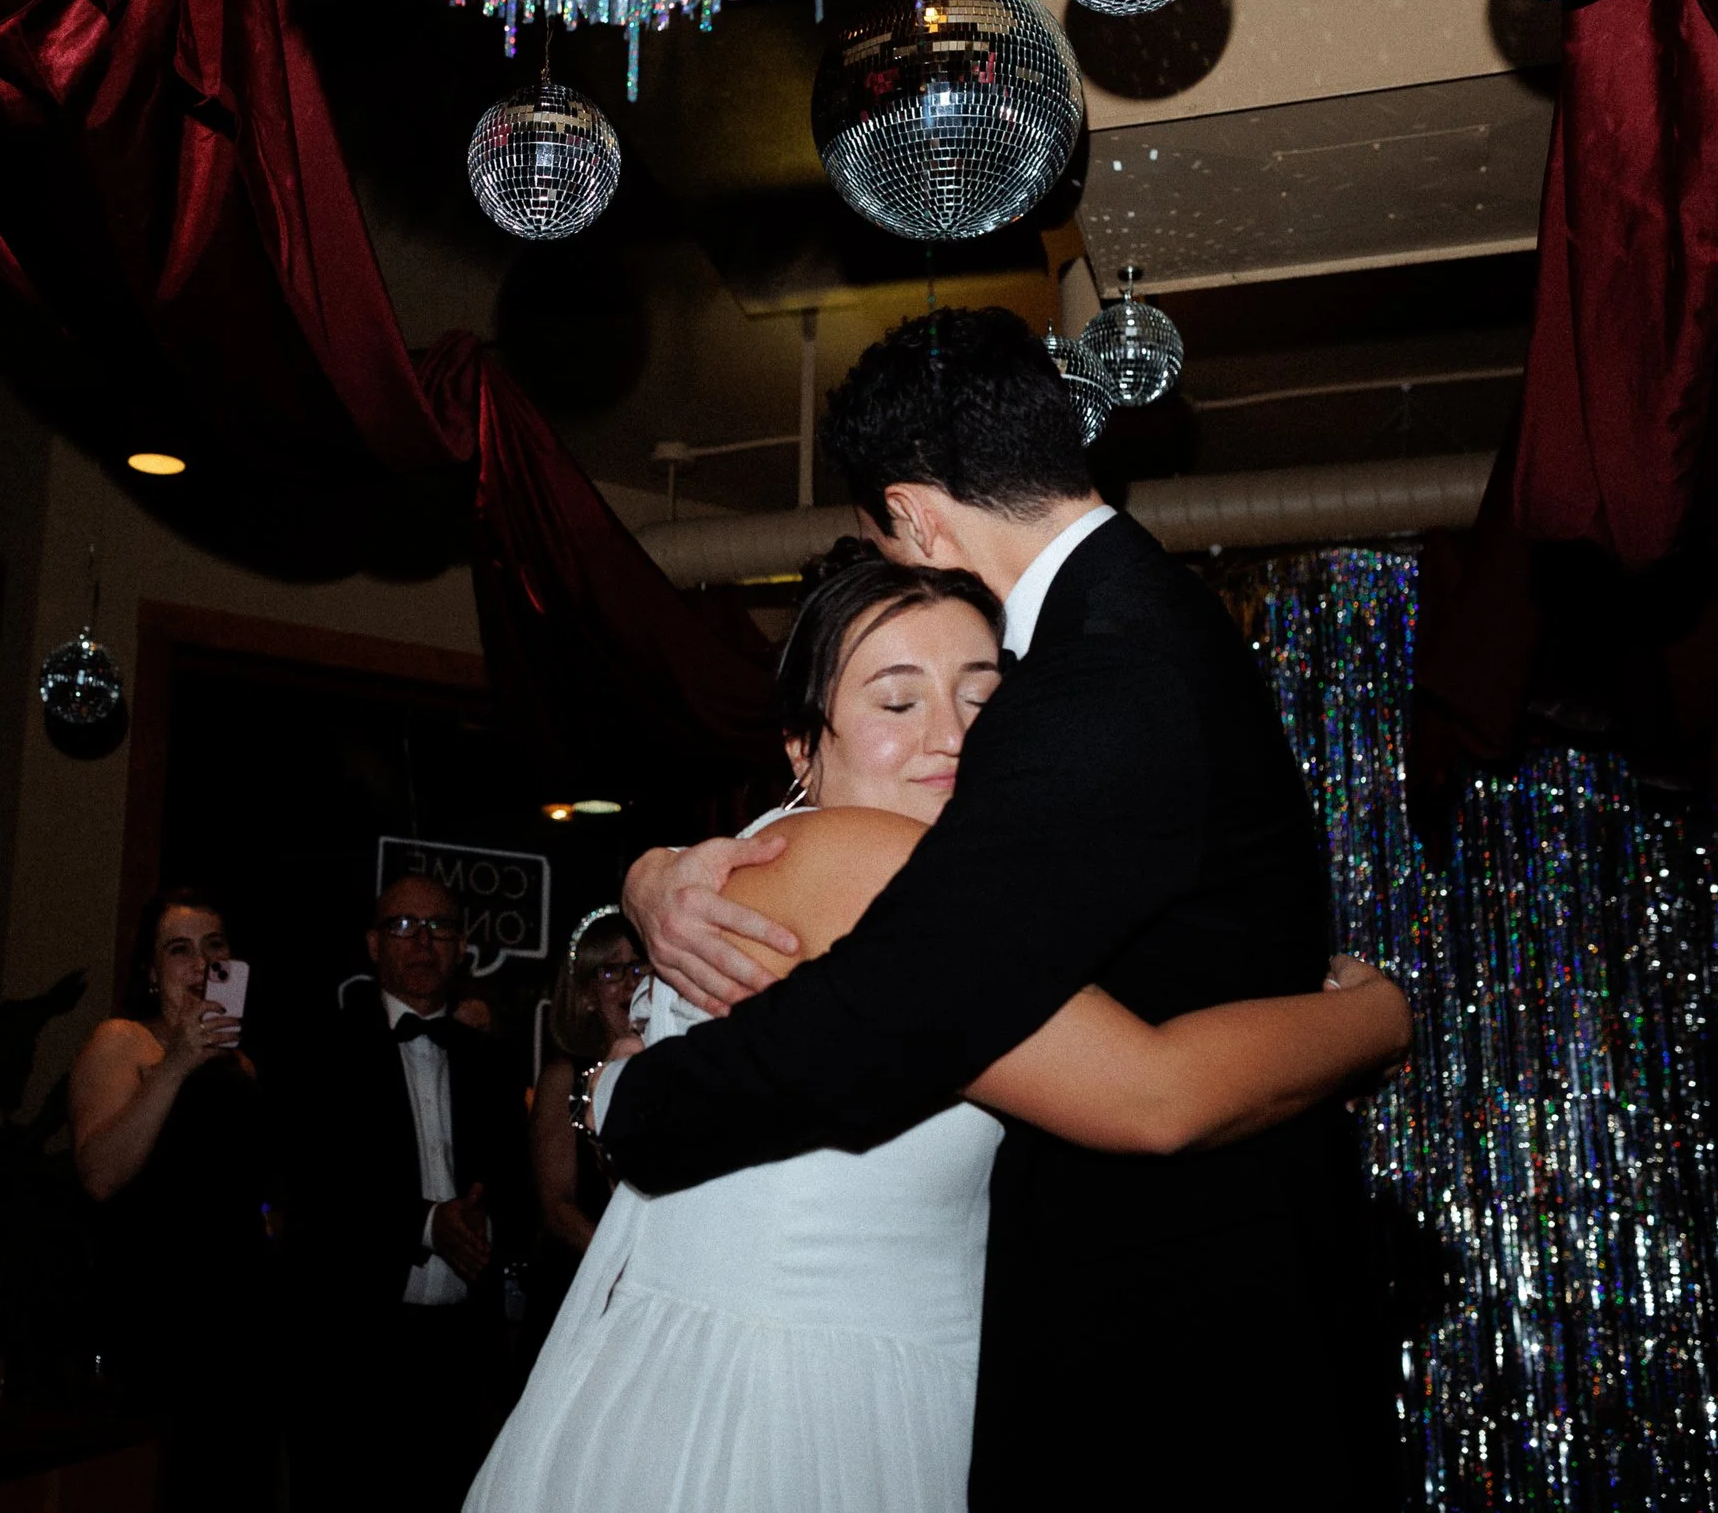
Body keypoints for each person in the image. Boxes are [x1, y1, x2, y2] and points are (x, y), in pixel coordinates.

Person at [599, 307, 1401, 1510]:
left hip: (1167, 1341)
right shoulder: (1144, 627)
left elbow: (905, 1002)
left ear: (915, 512)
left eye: (972, 692)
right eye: (898, 698)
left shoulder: (1101, 668)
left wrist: (634, 1103)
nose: (952, 729)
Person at [286, 874, 534, 1513]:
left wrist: (487, 1220)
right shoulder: (323, 1052)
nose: (423, 941)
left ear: (461, 948)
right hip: (354, 1348)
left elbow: (517, 1189)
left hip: (463, 1353)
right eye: (403, 926)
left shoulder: (493, 1063)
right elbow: (312, 1189)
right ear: (373, 945)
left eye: (440, 928)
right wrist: (428, 1225)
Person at [68, 887, 273, 1512]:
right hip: (156, 1318)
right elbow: (100, 1174)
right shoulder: (122, 1040)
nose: (201, 964)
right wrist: (179, 1062)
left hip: (238, 1324)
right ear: (151, 973)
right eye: (179, 950)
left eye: (215, 947)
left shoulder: (241, 1066)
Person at [530, 910, 639, 1263]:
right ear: (587, 996)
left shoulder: (681, 1066)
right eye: (611, 971)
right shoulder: (565, 1078)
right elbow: (558, 1207)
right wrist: (618, 1267)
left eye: (639, 968)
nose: (629, 983)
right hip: (586, 1277)